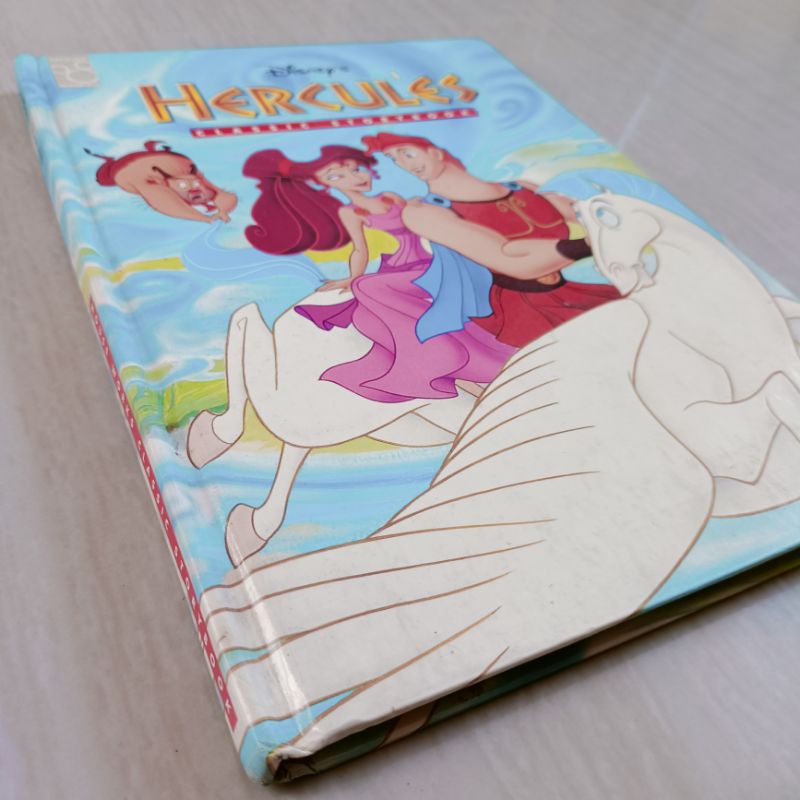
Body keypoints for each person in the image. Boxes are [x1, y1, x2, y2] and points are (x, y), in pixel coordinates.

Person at [244, 146, 515, 402]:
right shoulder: (350, 212)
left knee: (368, 288)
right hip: (399, 270)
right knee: (364, 315)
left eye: (355, 169)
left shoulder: (391, 198)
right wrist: (352, 277)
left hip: (427, 265)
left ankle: (443, 353)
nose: (354, 178)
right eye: (336, 176)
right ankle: (444, 365)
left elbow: (423, 225)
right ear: (323, 185)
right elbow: (359, 249)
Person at [363, 132, 620, 348]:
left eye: (407, 153)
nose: (403, 164)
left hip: (569, 292)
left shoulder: (522, 187)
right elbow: (511, 259)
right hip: (520, 309)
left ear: (435, 152)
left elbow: (592, 216)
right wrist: (590, 244)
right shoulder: (424, 212)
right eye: (394, 159)